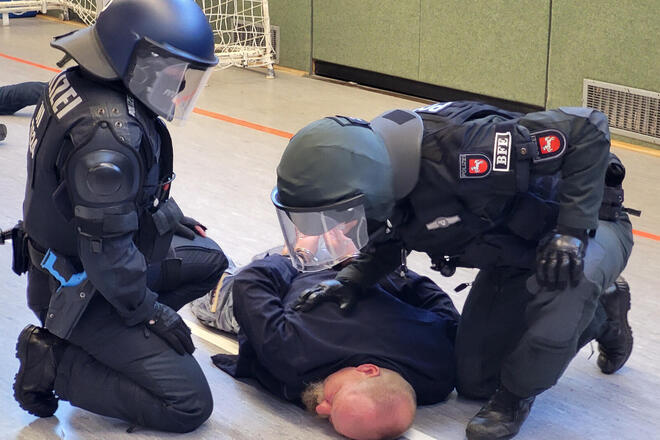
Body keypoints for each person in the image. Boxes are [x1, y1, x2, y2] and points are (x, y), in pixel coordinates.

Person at [273, 102, 635, 439]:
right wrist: (351, 280)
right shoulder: (384, 172)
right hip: (514, 252)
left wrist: (571, 232)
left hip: (587, 227)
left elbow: (588, 127)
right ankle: (604, 313)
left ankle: (517, 397)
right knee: (476, 380)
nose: (335, 227)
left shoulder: (466, 149)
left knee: (563, 299)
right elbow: (394, 235)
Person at [11, 0, 227, 433]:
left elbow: (94, 204)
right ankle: (54, 362)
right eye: (171, 69)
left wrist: (165, 213)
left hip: (73, 261)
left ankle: (114, 346)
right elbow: (107, 257)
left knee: (210, 260)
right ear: (132, 56)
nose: (179, 83)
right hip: (76, 289)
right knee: (188, 404)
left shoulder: (82, 81)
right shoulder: (105, 141)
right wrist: (152, 313)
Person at [193, 231, 459, 440]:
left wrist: (364, 266)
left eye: (329, 417)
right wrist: (301, 256)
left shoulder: (439, 370)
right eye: (333, 401)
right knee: (207, 289)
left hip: (343, 270)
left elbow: (432, 297)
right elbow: (252, 282)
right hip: (297, 272)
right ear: (367, 370)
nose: (321, 409)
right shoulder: (292, 355)